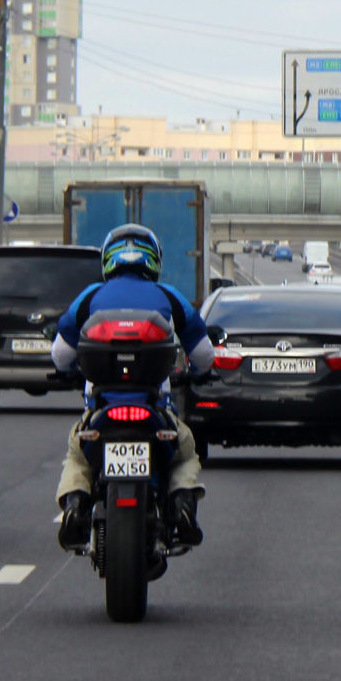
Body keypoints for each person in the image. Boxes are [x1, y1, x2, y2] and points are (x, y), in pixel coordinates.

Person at [51, 224, 211, 548]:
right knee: (185, 451)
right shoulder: (170, 296)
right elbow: (204, 356)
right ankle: (182, 504)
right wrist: (197, 373)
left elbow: (60, 356)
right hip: (155, 410)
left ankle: (75, 505)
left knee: (78, 453)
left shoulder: (90, 296)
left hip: (102, 410)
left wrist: (69, 372)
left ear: (108, 260)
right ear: (154, 260)